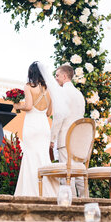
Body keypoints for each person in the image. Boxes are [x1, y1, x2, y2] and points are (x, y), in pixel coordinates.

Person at [14, 62, 60, 197]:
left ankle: (31, 191)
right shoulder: (49, 90)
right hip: (44, 126)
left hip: (32, 125)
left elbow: (28, 106)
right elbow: (48, 113)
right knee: (43, 156)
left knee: (30, 156)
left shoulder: (28, 87)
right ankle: (49, 190)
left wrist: (18, 106)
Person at [50, 64, 86, 197]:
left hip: (65, 138)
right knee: (79, 174)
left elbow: (59, 116)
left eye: (57, 75)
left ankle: (70, 204)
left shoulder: (62, 92)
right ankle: (85, 203)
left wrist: (52, 138)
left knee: (67, 173)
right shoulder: (80, 94)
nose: (55, 78)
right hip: (79, 140)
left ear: (65, 76)